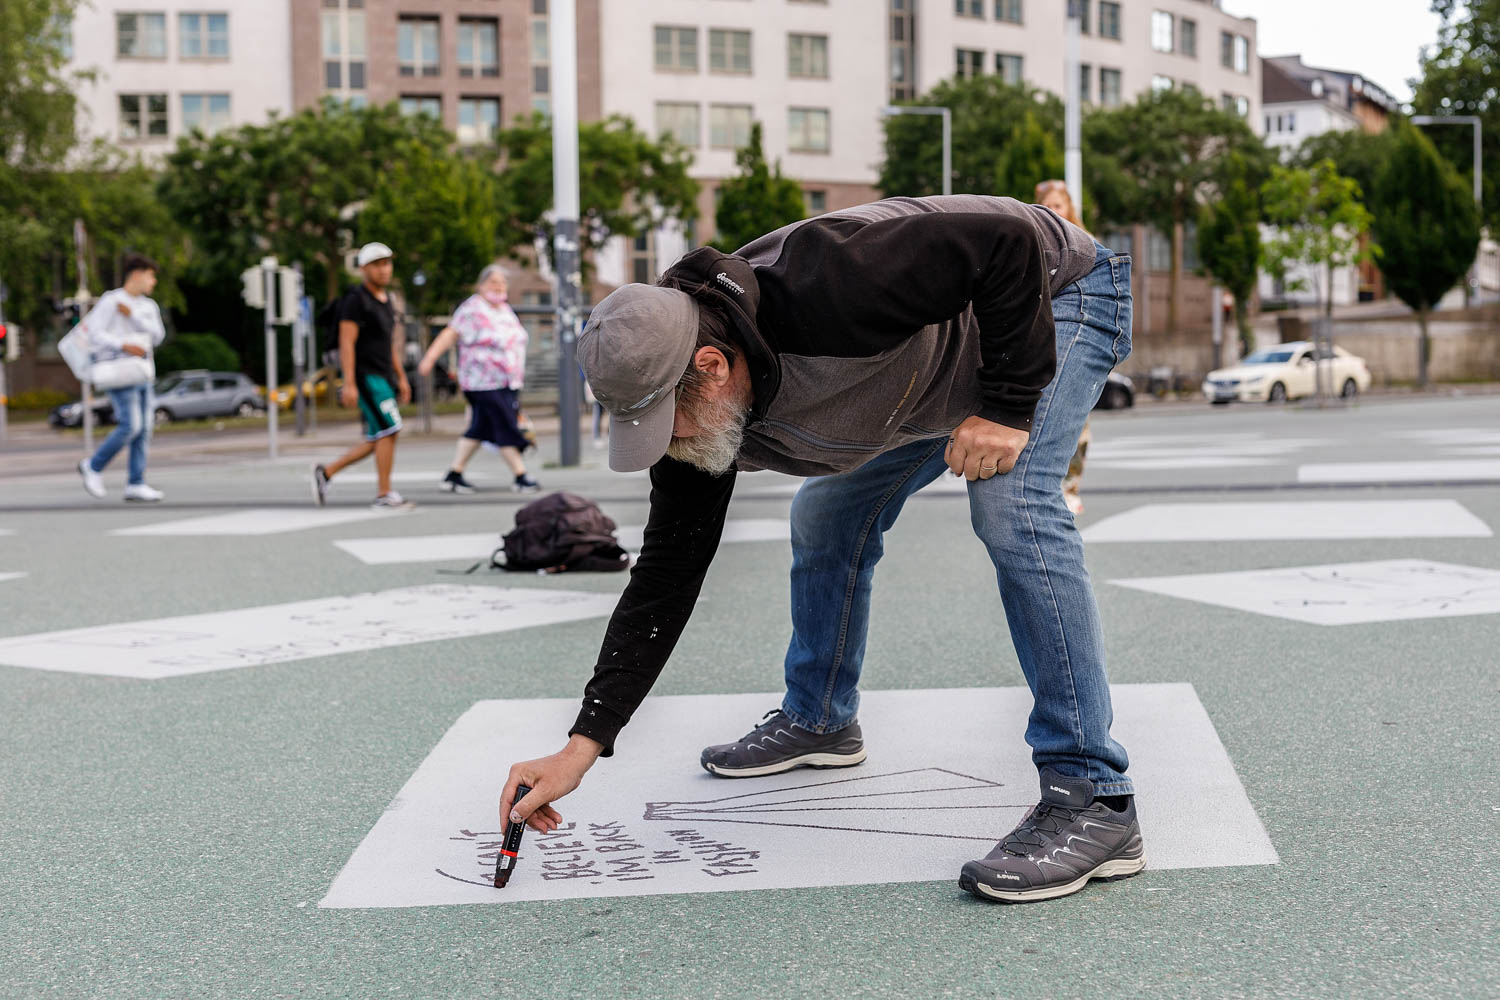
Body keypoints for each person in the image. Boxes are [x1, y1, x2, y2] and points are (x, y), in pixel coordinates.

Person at [501, 195, 1142, 904]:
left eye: (667, 423)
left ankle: (1093, 795)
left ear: (712, 365)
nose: (668, 445)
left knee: (1014, 508)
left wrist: (1009, 406)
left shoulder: (828, 283)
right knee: (828, 515)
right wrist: (581, 745)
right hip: (929, 371)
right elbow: (666, 575)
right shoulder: (686, 379)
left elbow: (1006, 242)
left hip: (1055, 292)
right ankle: (821, 717)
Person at [416, 264, 540, 494]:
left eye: (502, 283)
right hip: (482, 382)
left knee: (479, 428)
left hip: (506, 381)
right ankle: (520, 475)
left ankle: (454, 474)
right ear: (481, 285)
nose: (498, 286)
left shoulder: (504, 310)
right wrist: (430, 358)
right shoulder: (472, 308)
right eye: (493, 282)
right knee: (504, 424)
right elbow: (450, 334)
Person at [310, 242, 413, 510]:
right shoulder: (355, 300)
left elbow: (388, 342)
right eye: (377, 264)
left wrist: (401, 376)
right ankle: (384, 493)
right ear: (364, 268)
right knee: (390, 429)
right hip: (366, 377)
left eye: (387, 263)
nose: (384, 270)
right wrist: (350, 383)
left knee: (379, 437)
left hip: (384, 376)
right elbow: (347, 343)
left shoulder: (386, 301)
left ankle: (327, 472)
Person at [76, 254, 166, 503]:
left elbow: (157, 336)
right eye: (150, 276)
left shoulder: (148, 306)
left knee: (144, 429)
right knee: (131, 425)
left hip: (143, 372)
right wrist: (123, 344)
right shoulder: (111, 301)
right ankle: (93, 466)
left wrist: (133, 316)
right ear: (136, 275)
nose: (153, 282)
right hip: (118, 371)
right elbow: (93, 333)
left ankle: (136, 483)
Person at [1035, 179, 1092, 516]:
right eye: (1048, 205)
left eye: (1059, 205)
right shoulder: (1033, 244)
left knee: (1076, 421)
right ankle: (1043, 487)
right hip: (1043, 342)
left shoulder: (1087, 246)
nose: (1054, 212)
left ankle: (1070, 486)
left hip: (1076, 341)